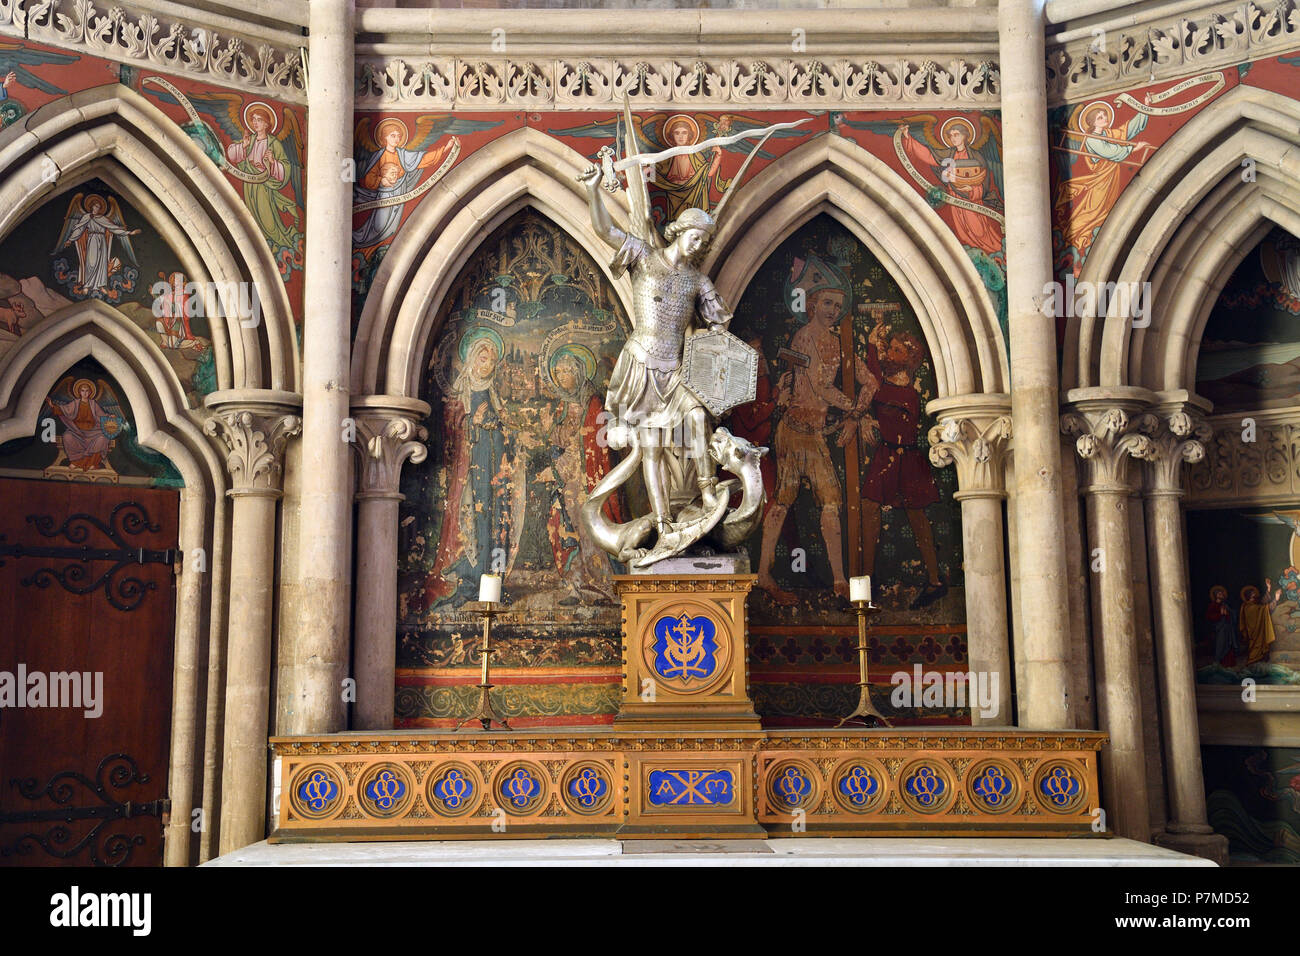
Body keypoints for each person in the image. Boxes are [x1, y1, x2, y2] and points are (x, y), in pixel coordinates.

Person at [577, 163, 731, 540]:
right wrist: (594, 191)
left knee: (696, 416)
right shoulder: (645, 258)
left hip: (677, 368)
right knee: (652, 448)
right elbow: (605, 230)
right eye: (694, 237)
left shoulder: (697, 279)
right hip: (641, 365)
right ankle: (663, 523)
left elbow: (719, 322)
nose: (698, 246)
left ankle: (708, 489)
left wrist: (716, 340)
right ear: (679, 232)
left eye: (703, 242)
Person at [757, 255, 875, 603]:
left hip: (816, 434)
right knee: (783, 501)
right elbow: (820, 386)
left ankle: (840, 579)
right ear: (811, 304)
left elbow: (870, 381)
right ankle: (764, 573)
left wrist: (857, 413)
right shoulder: (804, 337)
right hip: (794, 432)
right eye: (826, 302)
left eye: (837, 305)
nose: (832, 310)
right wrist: (853, 408)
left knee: (831, 501)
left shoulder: (840, 343)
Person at [859, 323, 946, 609]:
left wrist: (873, 347)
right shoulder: (887, 381)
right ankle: (866, 581)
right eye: (891, 347)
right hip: (887, 457)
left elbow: (877, 390)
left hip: (905, 460)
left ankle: (935, 580)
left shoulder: (906, 392)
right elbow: (875, 384)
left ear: (909, 359)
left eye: (896, 350)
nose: (890, 353)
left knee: (918, 520)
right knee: (869, 509)